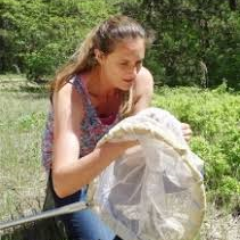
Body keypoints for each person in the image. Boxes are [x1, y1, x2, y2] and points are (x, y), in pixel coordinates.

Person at [42, 15, 192, 240]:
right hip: (77, 172)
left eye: (138, 62)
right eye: (124, 63)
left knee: (140, 231)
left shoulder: (141, 81)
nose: (133, 73)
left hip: (112, 167)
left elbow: (135, 151)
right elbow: (63, 182)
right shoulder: (71, 92)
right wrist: (124, 141)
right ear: (100, 56)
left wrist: (164, 137)